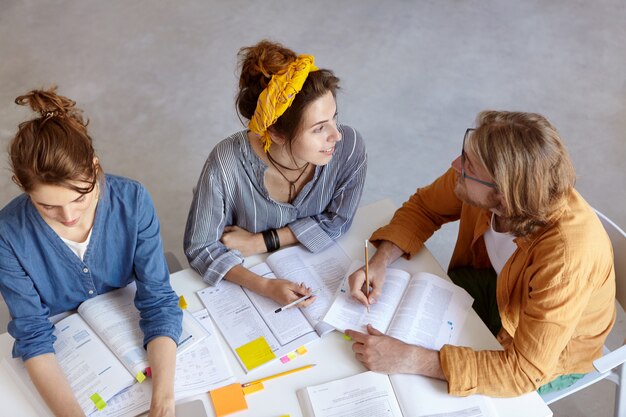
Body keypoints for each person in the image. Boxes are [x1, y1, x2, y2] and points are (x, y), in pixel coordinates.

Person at [346, 111, 615, 397]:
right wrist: (381, 260)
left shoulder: (566, 259)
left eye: (468, 167)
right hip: (497, 290)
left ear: (503, 194)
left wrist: (411, 358)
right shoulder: (486, 181)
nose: (455, 165)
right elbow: (426, 207)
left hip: (554, 354)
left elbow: (523, 373)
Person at [0, 87, 183, 417]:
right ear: (23, 187)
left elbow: (158, 301)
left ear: (95, 167)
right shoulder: (8, 235)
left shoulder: (133, 201)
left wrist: (163, 402)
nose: (69, 217)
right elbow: (33, 335)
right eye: (47, 206)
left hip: (129, 339)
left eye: (81, 197)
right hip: (70, 354)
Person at [184, 40, 367, 306]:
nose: (336, 135)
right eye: (318, 129)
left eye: (334, 118)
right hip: (251, 281)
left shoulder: (349, 148)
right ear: (276, 134)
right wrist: (266, 286)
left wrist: (263, 241)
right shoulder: (225, 164)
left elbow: (339, 218)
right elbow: (201, 248)